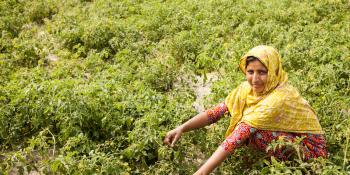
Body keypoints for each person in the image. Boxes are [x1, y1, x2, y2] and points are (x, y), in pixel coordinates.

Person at [163, 45, 327, 175]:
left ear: (273, 71)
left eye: (262, 72)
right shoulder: (246, 89)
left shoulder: (279, 97)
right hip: (288, 141)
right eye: (250, 72)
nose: (255, 79)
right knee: (251, 131)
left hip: (310, 153)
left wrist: (202, 172)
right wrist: (182, 128)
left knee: (254, 133)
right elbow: (217, 111)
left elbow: (240, 133)